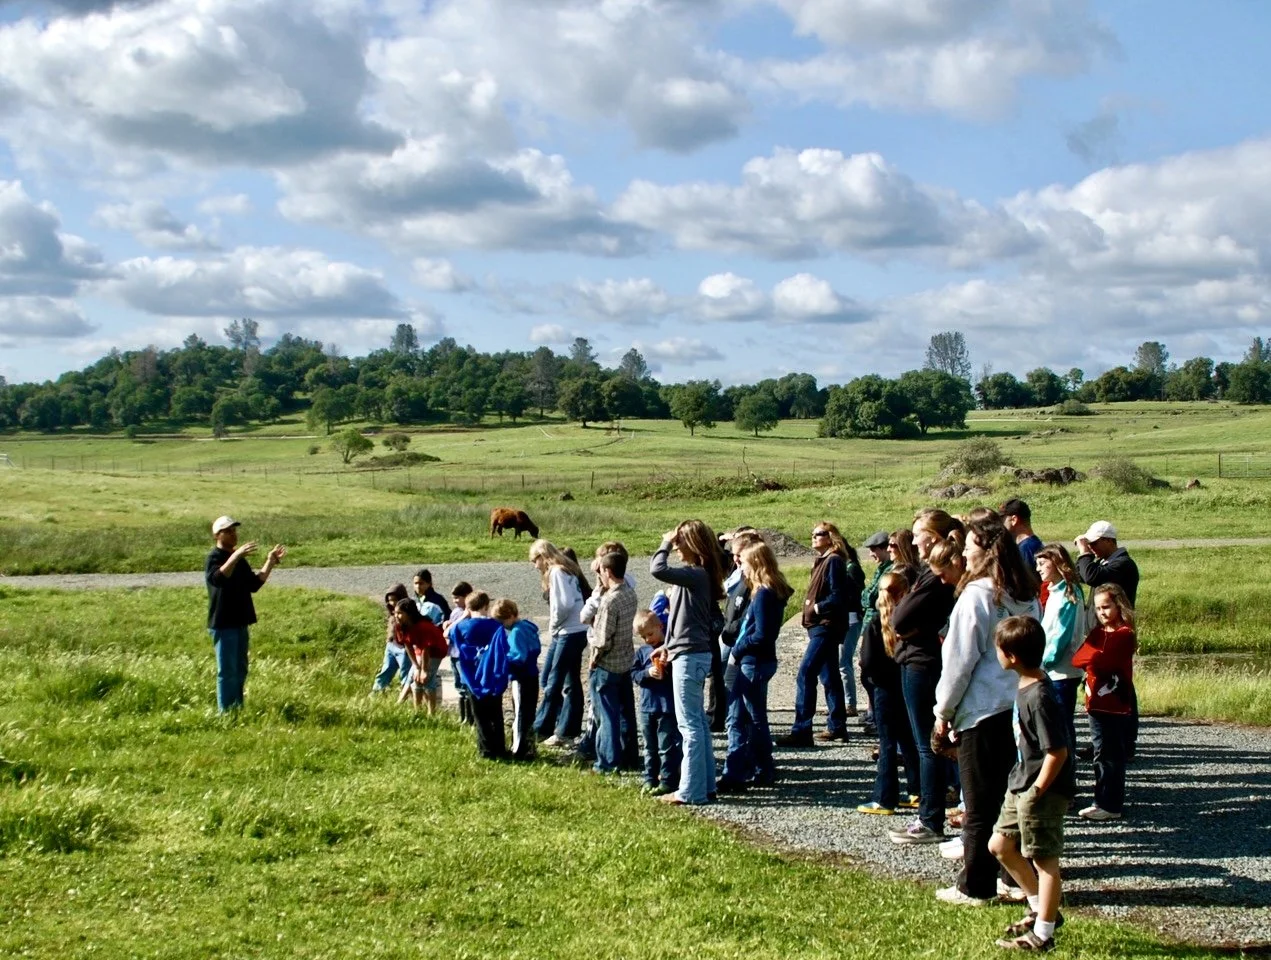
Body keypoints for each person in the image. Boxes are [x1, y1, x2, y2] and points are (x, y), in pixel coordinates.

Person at [931, 512, 1041, 905]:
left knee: (979, 805)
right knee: (1010, 802)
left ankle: (975, 886)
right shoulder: (1026, 594)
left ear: (988, 551)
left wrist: (943, 711)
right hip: (1020, 707)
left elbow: (959, 661)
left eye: (969, 547)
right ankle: (1012, 877)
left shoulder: (978, 595)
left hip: (983, 710)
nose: (963, 554)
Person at [988, 617, 1075, 952]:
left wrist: (1037, 791)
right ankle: (1040, 906)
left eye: (997, 649)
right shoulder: (1026, 684)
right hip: (1022, 781)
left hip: (1042, 789)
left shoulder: (1039, 696)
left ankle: (1044, 935)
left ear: (1010, 656)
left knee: (1045, 860)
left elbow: (1058, 751)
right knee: (1000, 846)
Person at [888, 510, 961, 845]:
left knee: (927, 744)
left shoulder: (934, 577)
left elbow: (900, 618)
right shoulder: (927, 573)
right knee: (927, 742)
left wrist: (908, 624)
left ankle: (930, 819)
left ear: (933, 536)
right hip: (915, 658)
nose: (913, 540)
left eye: (918, 534)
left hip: (923, 662)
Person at [650, 519, 725, 806]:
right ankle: (705, 787)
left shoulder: (695, 574)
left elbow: (657, 569)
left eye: (682, 541)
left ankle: (690, 791)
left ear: (693, 545)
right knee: (699, 726)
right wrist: (668, 646)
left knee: (690, 726)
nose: (677, 546)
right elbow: (687, 620)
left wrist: (665, 543)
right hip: (691, 652)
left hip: (690, 657)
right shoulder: (698, 575)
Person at [718, 541, 790, 792]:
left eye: (746, 563)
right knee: (750, 717)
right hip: (758, 661)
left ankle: (742, 771)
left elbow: (761, 634)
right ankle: (759, 768)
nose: (742, 568)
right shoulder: (769, 590)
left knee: (743, 717)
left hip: (753, 662)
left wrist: (737, 650)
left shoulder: (763, 594)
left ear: (757, 564)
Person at [778, 522, 853, 746]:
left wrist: (817, 607)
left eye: (819, 534)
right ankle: (837, 726)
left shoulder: (834, 561)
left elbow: (838, 595)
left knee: (806, 673)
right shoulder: (822, 561)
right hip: (818, 626)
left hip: (826, 625)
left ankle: (802, 730)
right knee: (829, 676)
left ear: (831, 537)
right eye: (812, 534)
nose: (813, 537)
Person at [204, 516, 286, 713]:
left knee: (240, 670)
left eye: (234, 530)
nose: (233, 534)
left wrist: (270, 561)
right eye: (228, 531)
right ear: (217, 535)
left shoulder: (239, 561)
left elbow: (254, 584)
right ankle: (225, 713)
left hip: (240, 622)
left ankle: (237, 708)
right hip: (223, 624)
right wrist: (236, 555)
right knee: (227, 671)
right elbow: (218, 578)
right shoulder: (214, 557)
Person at [856, 569, 920, 816]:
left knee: (887, 743)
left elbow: (867, 660)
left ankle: (885, 797)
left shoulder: (875, 624)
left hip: (883, 688)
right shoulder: (906, 621)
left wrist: (872, 682)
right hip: (903, 684)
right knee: (907, 739)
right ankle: (917, 789)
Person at [1071, 584, 1137, 822]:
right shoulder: (1099, 633)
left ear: (1119, 605)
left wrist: (1093, 659)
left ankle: (1110, 803)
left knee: (1110, 755)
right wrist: (1093, 659)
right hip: (1095, 703)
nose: (1102, 613)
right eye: (1098, 608)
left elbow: (1103, 663)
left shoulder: (1124, 634)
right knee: (1101, 753)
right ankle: (1102, 800)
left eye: (1106, 607)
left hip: (1114, 705)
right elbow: (1079, 658)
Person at [1074, 520, 1140, 758]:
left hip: (1117, 634)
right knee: (1101, 683)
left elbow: (1091, 576)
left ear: (1109, 541)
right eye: (1088, 544)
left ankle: (1124, 742)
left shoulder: (1123, 564)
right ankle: (1104, 740)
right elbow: (1083, 573)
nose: (1091, 547)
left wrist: (1082, 553)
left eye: (1094, 543)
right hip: (1104, 632)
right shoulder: (1107, 563)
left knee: (1121, 687)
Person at [530, 539, 590, 747]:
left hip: (568, 631)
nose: (534, 564)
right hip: (574, 630)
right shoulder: (566, 570)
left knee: (552, 680)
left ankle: (540, 728)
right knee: (568, 679)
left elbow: (563, 604)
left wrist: (554, 625)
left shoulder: (556, 572)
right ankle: (566, 728)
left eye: (534, 559)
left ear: (542, 556)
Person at [588, 552, 638, 774]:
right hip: (625, 660)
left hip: (607, 664)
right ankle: (629, 755)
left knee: (607, 715)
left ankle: (607, 762)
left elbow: (602, 638)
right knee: (626, 712)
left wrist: (593, 658)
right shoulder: (630, 593)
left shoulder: (610, 601)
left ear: (607, 571)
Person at [1034, 544, 1085, 755]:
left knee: (1061, 727)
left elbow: (1061, 637)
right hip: (1054, 670)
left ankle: (1066, 775)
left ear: (1056, 562)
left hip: (1061, 671)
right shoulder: (1056, 590)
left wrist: (1042, 664)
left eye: (1042, 563)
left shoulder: (1068, 594)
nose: (1038, 568)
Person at [450, 592, 510, 760]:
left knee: (480, 716)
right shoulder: (496, 626)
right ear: (486, 606)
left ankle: (485, 750)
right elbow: (503, 647)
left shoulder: (462, 627)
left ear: (468, 608)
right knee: (496, 714)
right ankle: (499, 748)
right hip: (491, 675)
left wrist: (463, 617)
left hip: (471, 675)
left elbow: (449, 634)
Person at [632, 610, 682, 795]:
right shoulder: (642, 652)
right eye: (643, 637)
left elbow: (677, 675)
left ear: (660, 627)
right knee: (649, 746)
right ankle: (649, 778)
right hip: (646, 706)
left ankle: (668, 779)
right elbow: (633, 674)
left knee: (666, 746)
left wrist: (665, 667)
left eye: (650, 634)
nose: (647, 640)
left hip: (666, 706)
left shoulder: (668, 650)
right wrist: (646, 673)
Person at [494, 598, 541, 761]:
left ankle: (519, 749)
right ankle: (529, 746)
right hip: (532, 674)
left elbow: (518, 657)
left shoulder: (516, 633)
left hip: (520, 677)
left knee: (520, 713)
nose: (502, 625)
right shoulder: (528, 627)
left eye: (502, 621)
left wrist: (502, 659)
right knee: (528, 713)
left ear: (510, 616)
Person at [857, 531, 892, 732]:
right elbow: (867, 596)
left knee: (873, 675)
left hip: (879, 625)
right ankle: (874, 714)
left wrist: (868, 597)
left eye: (874, 550)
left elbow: (870, 598)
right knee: (866, 674)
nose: (871, 554)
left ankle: (879, 718)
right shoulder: (881, 569)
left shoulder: (889, 570)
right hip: (869, 625)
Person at [393, 598, 447, 713]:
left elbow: (426, 649)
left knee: (426, 679)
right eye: (395, 613)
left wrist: (424, 670)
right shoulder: (400, 626)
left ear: (409, 614)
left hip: (436, 649)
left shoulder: (423, 626)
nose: (396, 616)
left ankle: (431, 713)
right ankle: (417, 711)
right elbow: (407, 646)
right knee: (415, 677)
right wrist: (416, 667)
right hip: (421, 648)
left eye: (400, 613)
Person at [837, 535, 867, 719]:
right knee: (840, 662)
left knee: (843, 662)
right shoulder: (847, 567)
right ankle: (844, 702)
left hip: (851, 619)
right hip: (845, 619)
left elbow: (854, 596)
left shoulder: (851, 569)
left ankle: (850, 703)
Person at [371, 583, 411, 695]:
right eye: (390, 600)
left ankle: (407, 694)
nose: (392, 603)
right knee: (386, 670)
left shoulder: (408, 613)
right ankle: (377, 691)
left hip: (404, 648)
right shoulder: (391, 612)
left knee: (405, 673)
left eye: (395, 600)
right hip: (391, 646)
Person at [444, 581, 475, 725]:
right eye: (453, 598)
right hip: (454, 653)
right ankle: (463, 716)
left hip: (463, 654)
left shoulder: (469, 614)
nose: (455, 601)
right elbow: (451, 625)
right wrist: (447, 624)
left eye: (458, 597)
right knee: (459, 685)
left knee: (466, 684)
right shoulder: (456, 611)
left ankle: (470, 717)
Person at [1001, 499, 1044, 570]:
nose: (1000, 524)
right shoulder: (1031, 544)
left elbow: (1027, 580)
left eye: (1002, 519)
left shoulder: (1026, 549)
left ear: (1014, 520)